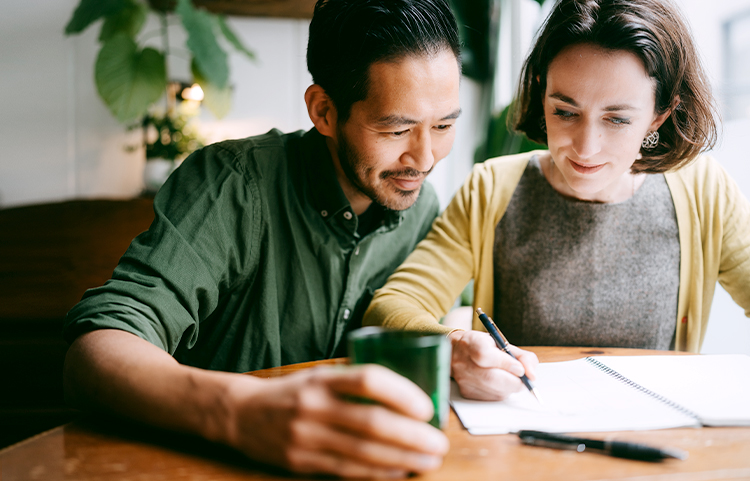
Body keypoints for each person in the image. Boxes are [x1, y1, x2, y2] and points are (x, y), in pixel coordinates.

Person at [62, 0, 462, 477]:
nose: (425, 156)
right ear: (324, 110)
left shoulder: (422, 208)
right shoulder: (232, 185)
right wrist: (240, 412)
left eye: (444, 125)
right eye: (396, 128)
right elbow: (94, 351)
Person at [364, 0, 750, 402]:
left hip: (662, 445)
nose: (586, 147)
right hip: (526, 434)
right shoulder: (492, 189)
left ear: (658, 116)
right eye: (565, 112)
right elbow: (392, 307)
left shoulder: (704, 191)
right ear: (541, 95)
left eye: (617, 119)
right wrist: (455, 344)